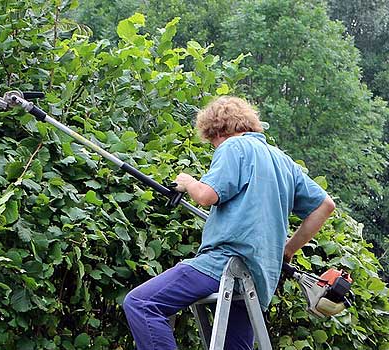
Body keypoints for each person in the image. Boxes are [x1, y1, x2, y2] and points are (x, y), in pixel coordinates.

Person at [122, 96, 336, 349]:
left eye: (212, 142)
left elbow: (207, 196)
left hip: (223, 263)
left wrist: (189, 182)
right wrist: (287, 250)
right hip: (259, 276)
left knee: (142, 304)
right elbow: (325, 206)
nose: (214, 148)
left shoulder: (233, 147)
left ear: (219, 131)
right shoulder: (284, 162)